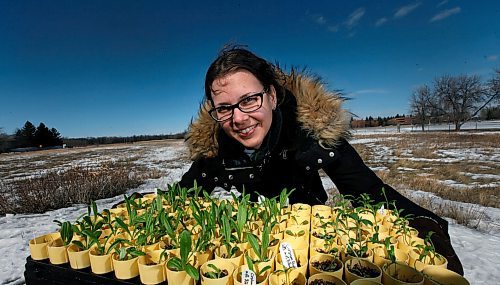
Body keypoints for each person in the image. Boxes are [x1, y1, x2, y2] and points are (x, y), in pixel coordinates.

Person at [179, 47, 463, 275]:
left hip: (312, 249)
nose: (239, 118)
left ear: (272, 96)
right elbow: (180, 199)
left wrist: (428, 225)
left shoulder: (312, 132)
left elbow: (371, 194)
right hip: (256, 254)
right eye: (225, 108)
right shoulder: (216, 146)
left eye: (249, 100)